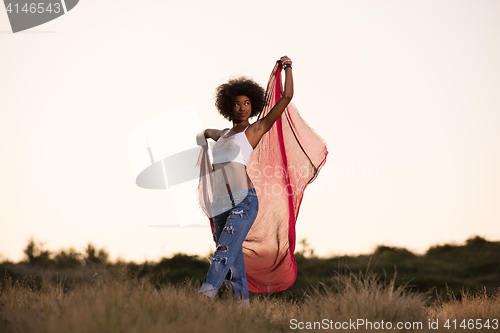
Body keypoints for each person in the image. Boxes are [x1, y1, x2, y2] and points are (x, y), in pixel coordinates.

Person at [196, 55, 294, 306]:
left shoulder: (255, 130)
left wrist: (287, 69)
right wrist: (202, 135)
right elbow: (209, 132)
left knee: (223, 251)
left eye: (247, 103)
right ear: (229, 106)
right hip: (220, 204)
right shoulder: (224, 134)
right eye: (237, 104)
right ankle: (243, 310)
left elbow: (286, 99)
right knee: (233, 262)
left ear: (253, 106)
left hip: (243, 201)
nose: (242, 107)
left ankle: (204, 297)